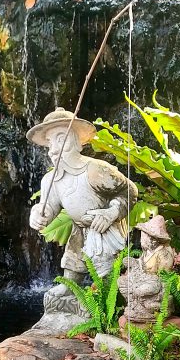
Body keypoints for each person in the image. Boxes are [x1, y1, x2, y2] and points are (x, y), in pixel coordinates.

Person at [28, 107, 137, 296]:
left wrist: (111, 213)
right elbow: (50, 206)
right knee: (74, 255)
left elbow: (129, 190)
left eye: (61, 140)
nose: (54, 150)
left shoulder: (95, 171)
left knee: (106, 268)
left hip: (103, 225)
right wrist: (38, 214)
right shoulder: (51, 179)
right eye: (50, 142)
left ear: (77, 142)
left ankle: (109, 300)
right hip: (79, 227)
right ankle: (71, 285)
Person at [118, 214, 176, 323]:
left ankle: (147, 307)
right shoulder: (146, 252)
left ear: (153, 239)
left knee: (141, 289)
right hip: (141, 279)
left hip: (154, 283)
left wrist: (146, 278)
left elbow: (164, 276)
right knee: (122, 282)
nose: (141, 239)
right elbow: (140, 264)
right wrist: (133, 263)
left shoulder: (163, 254)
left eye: (144, 236)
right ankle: (134, 304)